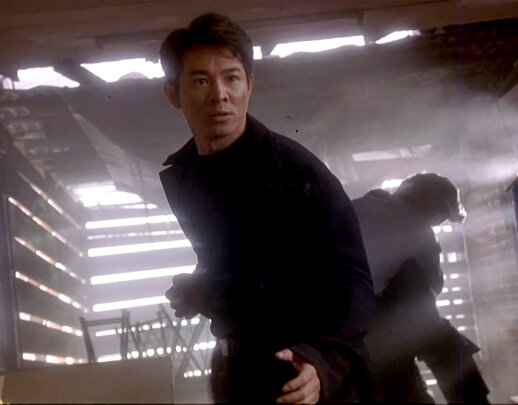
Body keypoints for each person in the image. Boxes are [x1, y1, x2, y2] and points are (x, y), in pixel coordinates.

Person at [158, 13, 375, 403]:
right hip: (237, 373)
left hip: (303, 374)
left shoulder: (296, 172)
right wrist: (200, 290)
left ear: (249, 85)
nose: (219, 95)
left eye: (232, 78)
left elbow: (353, 283)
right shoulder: (186, 175)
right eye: (201, 81)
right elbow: (246, 270)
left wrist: (323, 361)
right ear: (173, 94)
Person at [351, 173, 490, 404]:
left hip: (331, 312)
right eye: (443, 216)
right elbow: (433, 286)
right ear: (434, 205)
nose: (440, 223)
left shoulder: (366, 202)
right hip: (357, 320)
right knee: (442, 339)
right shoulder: (420, 231)